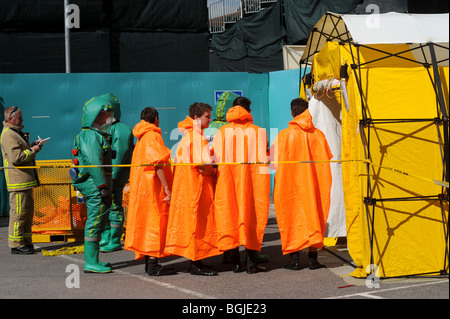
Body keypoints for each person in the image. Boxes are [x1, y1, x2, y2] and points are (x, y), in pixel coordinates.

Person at [270, 98, 333, 270]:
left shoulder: (283, 135)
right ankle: (313, 259)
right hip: (315, 186)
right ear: (307, 111)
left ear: (292, 112)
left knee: (291, 218)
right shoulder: (318, 135)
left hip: (289, 186)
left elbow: (272, 163)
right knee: (315, 217)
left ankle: (294, 260)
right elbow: (326, 158)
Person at [212, 97, 270, 273]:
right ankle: (252, 263)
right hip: (253, 184)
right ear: (248, 110)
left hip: (227, 183)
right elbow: (264, 157)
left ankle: (236, 262)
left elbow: (215, 157)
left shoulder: (223, 131)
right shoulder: (258, 131)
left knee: (230, 217)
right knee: (252, 218)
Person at [164, 102, 220, 276]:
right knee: (199, 225)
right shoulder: (197, 138)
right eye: (207, 116)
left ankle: (197, 261)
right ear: (196, 117)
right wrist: (215, 169)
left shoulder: (187, 136)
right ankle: (196, 263)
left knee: (193, 225)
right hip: (197, 188)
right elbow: (203, 166)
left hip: (187, 189)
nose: (210, 119)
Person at [124, 107, 176, 276]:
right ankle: (153, 265)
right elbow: (158, 162)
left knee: (146, 223)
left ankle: (150, 263)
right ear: (156, 119)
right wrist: (167, 187)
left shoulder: (141, 138)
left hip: (142, 188)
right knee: (155, 223)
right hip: (153, 188)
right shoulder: (153, 136)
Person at [70, 95, 114, 273]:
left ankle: (95, 259)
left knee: (99, 219)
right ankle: (90, 262)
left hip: (97, 184)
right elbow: (93, 162)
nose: (108, 117)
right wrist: (102, 187)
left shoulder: (95, 135)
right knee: (95, 221)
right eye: (105, 114)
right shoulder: (89, 135)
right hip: (95, 185)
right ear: (96, 115)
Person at [1, 106, 41, 254]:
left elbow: (20, 152)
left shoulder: (15, 133)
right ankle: (16, 245)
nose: (22, 120)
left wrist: (32, 147)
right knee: (18, 213)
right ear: (11, 119)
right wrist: (32, 151)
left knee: (26, 212)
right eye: (19, 117)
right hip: (18, 182)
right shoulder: (8, 135)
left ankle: (25, 241)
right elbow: (16, 158)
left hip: (24, 181)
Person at [97, 94, 134, 253]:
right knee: (104, 204)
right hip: (105, 174)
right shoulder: (103, 128)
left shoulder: (121, 129)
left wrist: (113, 175)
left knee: (114, 204)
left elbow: (120, 154)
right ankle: (106, 236)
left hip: (115, 174)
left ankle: (114, 238)